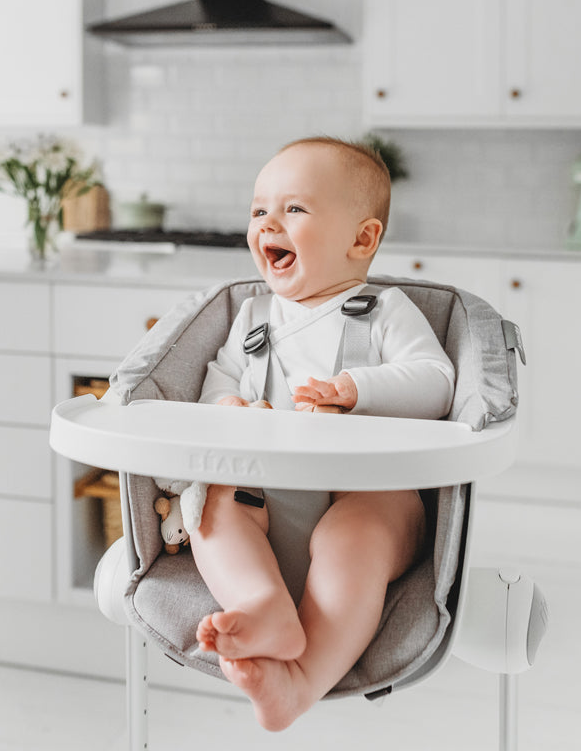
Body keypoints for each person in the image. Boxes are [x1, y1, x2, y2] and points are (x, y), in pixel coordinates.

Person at [189, 136, 455, 732]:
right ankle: (263, 605)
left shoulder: (384, 309)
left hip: (367, 497)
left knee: (357, 531)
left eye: (294, 209)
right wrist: (230, 406)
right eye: (259, 210)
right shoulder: (251, 316)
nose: (268, 224)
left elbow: (437, 382)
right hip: (267, 497)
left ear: (362, 239)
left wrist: (357, 390)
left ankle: (301, 681)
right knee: (209, 506)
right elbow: (214, 386)